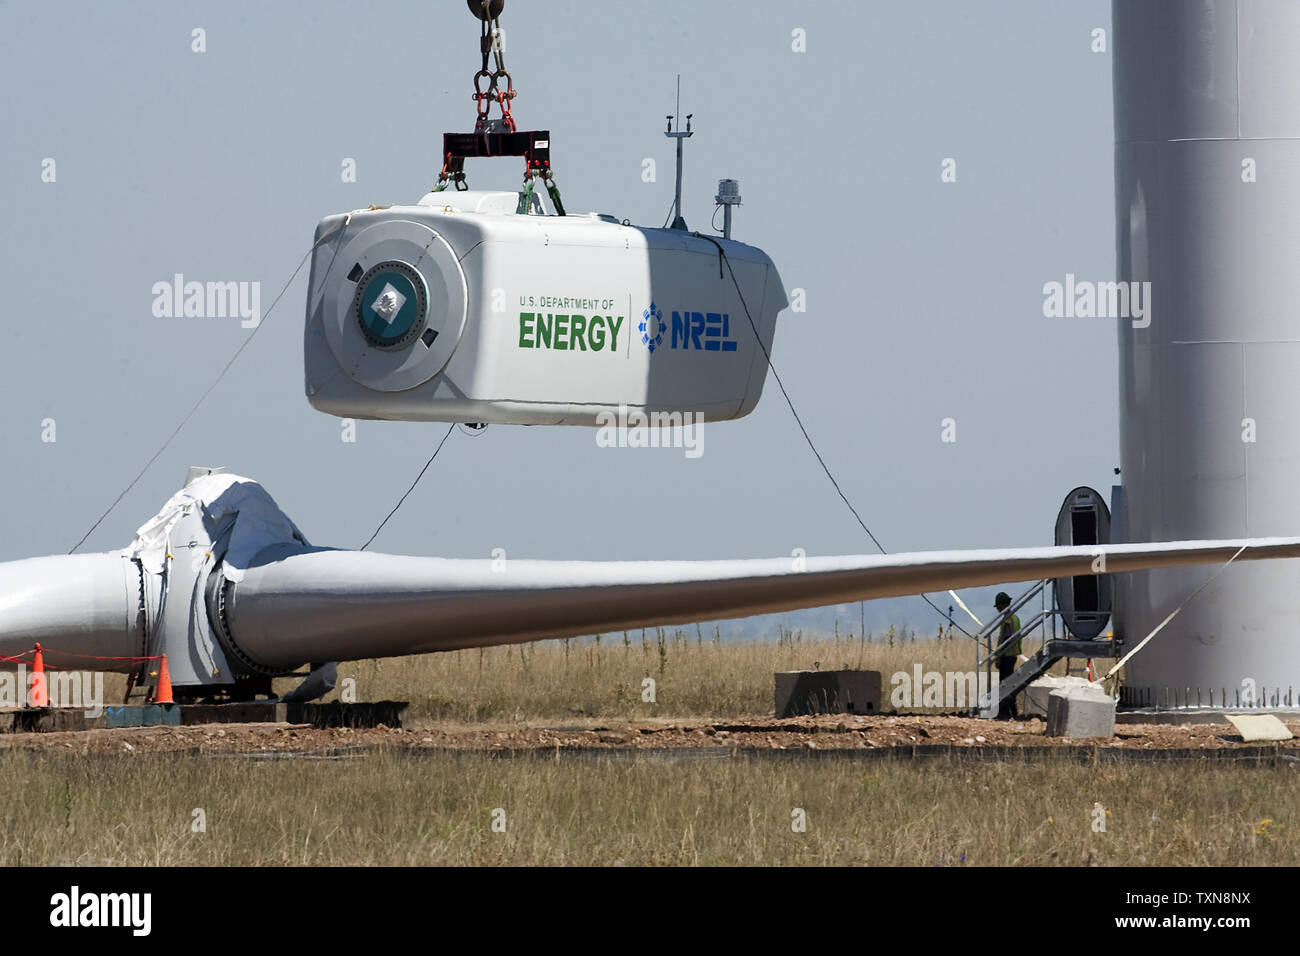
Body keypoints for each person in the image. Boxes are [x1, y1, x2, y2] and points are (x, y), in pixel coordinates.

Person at [993, 592, 1021, 719]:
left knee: (1005, 684)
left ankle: (1004, 712)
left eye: (998, 606)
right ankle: (1012, 711)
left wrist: (999, 655)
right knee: (1008, 683)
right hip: (1011, 655)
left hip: (1007, 656)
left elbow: (1006, 640)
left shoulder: (1008, 620)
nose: (998, 609)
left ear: (1003, 604)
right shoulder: (1014, 618)